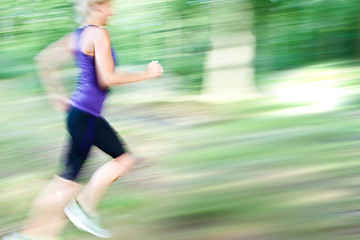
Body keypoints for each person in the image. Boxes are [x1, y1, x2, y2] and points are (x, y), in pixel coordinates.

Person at [2, 0, 163, 239]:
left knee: (69, 179)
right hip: (86, 115)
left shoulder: (76, 36)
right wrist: (146, 75)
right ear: (97, 7)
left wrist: (55, 94)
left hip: (81, 114)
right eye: (109, 6)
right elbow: (107, 77)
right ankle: (79, 209)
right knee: (107, 167)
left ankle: (39, 231)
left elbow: (44, 60)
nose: (113, 11)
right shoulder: (99, 34)